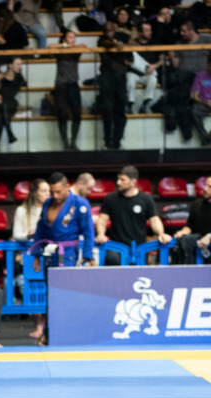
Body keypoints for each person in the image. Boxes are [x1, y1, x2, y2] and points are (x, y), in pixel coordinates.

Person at [96, 165, 169, 265]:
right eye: (118, 179)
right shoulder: (110, 198)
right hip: (116, 247)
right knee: (111, 258)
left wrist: (161, 234)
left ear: (133, 182)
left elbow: (154, 220)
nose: (118, 182)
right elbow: (102, 220)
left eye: (122, 180)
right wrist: (101, 234)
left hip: (139, 248)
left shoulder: (146, 199)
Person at [11, 178, 50, 338]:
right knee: (33, 289)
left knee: (47, 288)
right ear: (35, 192)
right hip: (29, 256)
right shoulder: (22, 210)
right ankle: (39, 326)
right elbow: (16, 234)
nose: (48, 193)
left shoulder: (51, 208)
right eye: (44, 190)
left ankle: (46, 326)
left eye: (48, 190)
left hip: (48, 254)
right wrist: (30, 235)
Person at [35, 171, 96, 266]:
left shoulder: (79, 203)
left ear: (67, 187)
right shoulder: (47, 203)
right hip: (49, 252)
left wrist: (87, 256)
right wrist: (36, 254)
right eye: (52, 192)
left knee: (66, 276)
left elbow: (88, 231)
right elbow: (40, 229)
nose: (55, 196)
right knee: (48, 276)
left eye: (58, 192)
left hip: (68, 253)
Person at [97, 21, 132, 150]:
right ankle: (108, 141)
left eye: (111, 31)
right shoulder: (101, 40)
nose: (110, 33)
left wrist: (121, 46)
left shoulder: (121, 37)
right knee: (108, 110)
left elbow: (130, 52)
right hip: (107, 76)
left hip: (120, 76)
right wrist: (117, 45)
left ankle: (117, 141)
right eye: (107, 31)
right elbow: (105, 45)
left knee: (121, 110)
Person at [54, 30, 84, 151]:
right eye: (70, 37)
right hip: (61, 84)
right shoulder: (60, 50)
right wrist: (65, 45)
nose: (73, 39)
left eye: (74, 37)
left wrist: (71, 46)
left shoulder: (76, 51)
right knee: (62, 114)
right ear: (64, 39)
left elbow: (84, 46)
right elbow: (50, 46)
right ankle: (65, 143)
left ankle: (73, 142)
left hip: (73, 83)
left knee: (77, 113)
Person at [171, 175, 211, 263]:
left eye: (209, 187)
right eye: (205, 185)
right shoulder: (196, 204)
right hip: (197, 250)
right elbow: (190, 225)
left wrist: (209, 236)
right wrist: (183, 232)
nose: (205, 189)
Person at [0, 56, 25, 152]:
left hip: (10, 103)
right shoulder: (1, 76)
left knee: (0, 116)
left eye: (21, 64)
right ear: (10, 65)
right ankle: (10, 134)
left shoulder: (19, 77)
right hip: (0, 103)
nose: (20, 66)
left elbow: (14, 91)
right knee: (1, 113)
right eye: (18, 64)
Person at [129, 21, 164, 114]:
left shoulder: (155, 43)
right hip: (135, 73)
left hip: (148, 73)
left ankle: (144, 104)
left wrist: (154, 66)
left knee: (153, 80)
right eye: (147, 30)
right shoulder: (133, 43)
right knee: (129, 79)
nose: (150, 32)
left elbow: (162, 59)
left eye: (150, 30)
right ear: (140, 33)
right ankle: (129, 105)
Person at [191, 54, 211, 146]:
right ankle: (205, 136)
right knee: (194, 112)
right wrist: (205, 102)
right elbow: (194, 96)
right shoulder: (200, 76)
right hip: (204, 104)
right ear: (208, 65)